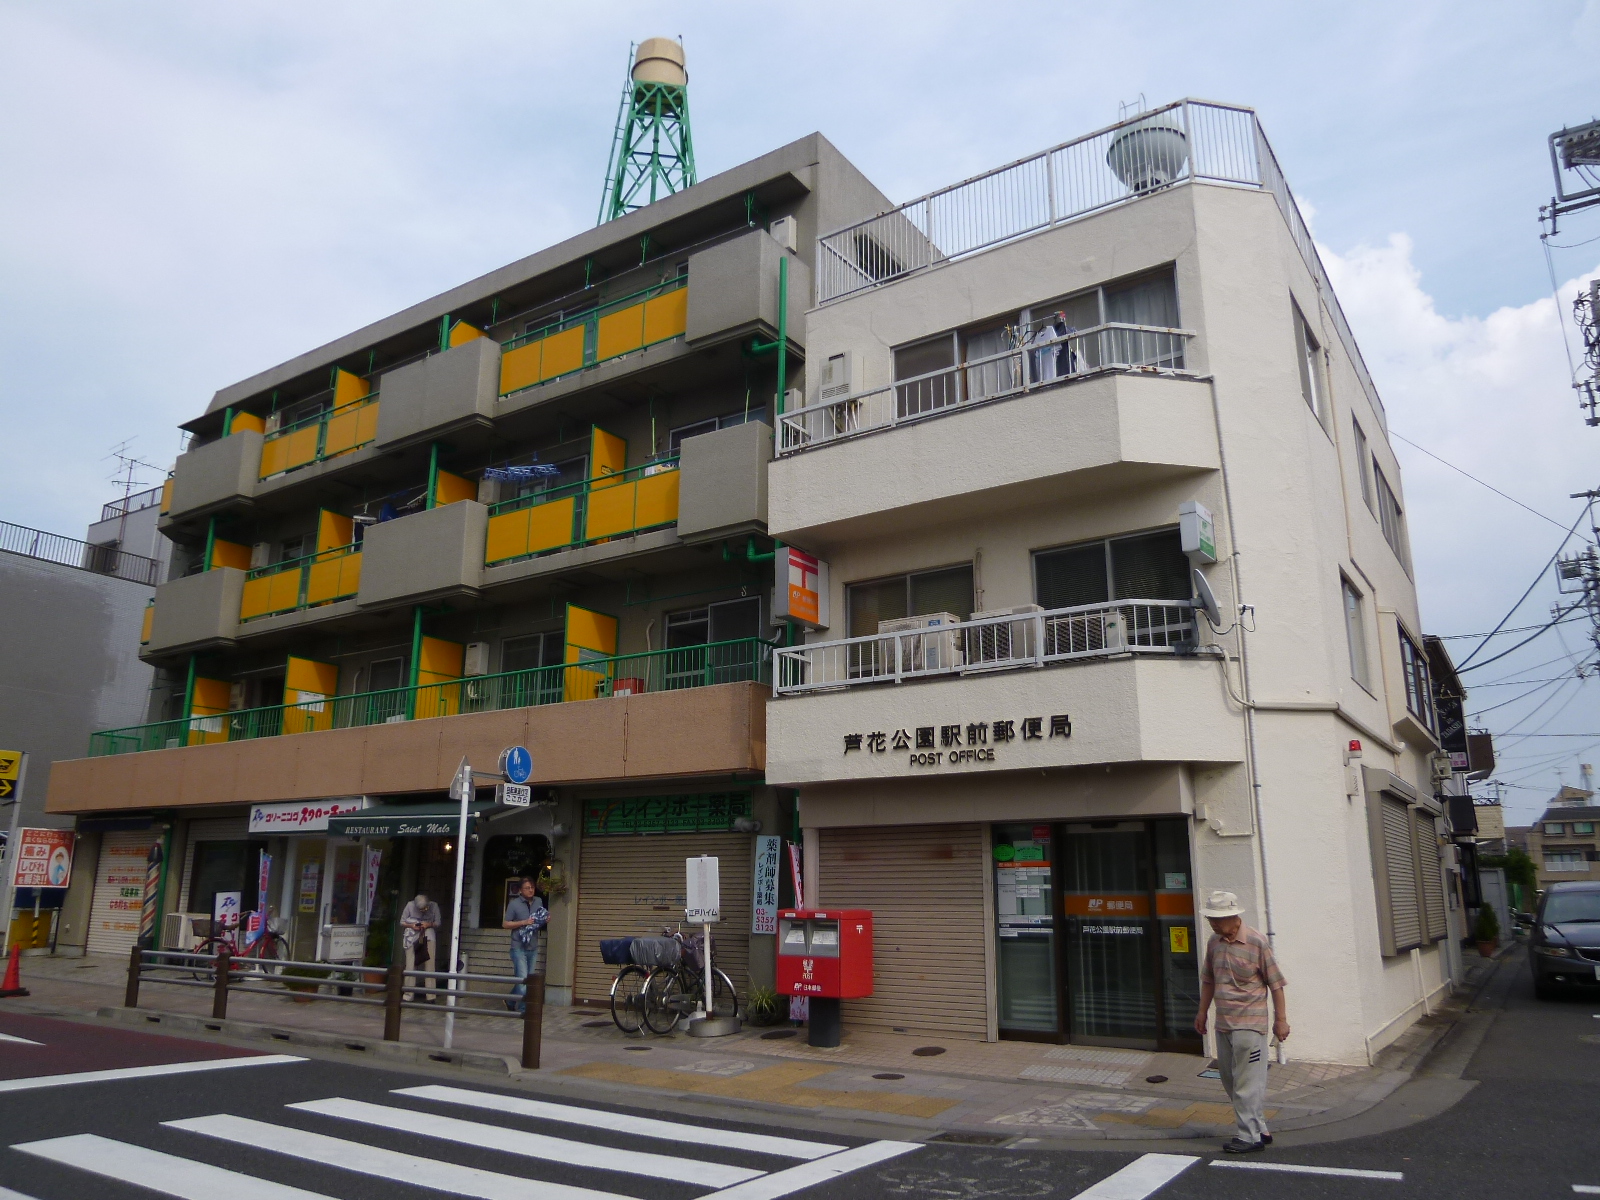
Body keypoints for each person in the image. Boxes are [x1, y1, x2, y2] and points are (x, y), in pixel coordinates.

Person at [1194, 889, 1289, 1155]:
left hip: (1251, 1023)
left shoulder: (1257, 942)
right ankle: (1259, 1127)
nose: (1213, 922)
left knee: (1247, 1082)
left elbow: (1276, 984)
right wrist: (1202, 1013)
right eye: (1211, 917)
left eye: (1218, 917)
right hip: (1223, 1023)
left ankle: (1248, 1137)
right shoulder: (1214, 942)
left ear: (1235, 916)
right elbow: (1208, 980)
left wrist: (1281, 1021)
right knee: (1229, 1080)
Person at [502, 876, 548, 1013]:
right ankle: (524, 1009)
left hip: (532, 946)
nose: (530, 890)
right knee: (522, 978)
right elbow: (505, 924)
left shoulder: (538, 901)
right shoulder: (514, 904)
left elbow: (539, 919)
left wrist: (545, 919)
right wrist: (523, 922)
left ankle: (510, 1000)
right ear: (521, 890)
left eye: (532, 888)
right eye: (527, 888)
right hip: (518, 946)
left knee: (529, 979)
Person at [400, 892, 441, 1003]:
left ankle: (430, 996)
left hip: (428, 936)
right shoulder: (409, 905)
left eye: (425, 908)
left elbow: (438, 922)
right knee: (410, 965)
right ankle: (408, 994)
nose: (424, 910)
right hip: (412, 937)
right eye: (421, 909)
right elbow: (402, 921)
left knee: (430, 965)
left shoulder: (434, 906)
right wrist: (412, 925)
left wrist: (429, 924)